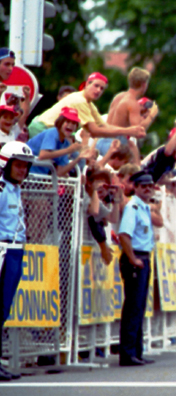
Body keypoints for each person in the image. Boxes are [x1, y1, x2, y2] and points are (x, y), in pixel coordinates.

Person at [0, 141, 34, 381]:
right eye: (18, 165)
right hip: (3, 249)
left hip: (15, 250)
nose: (22, 170)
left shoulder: (15, 189)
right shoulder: (2, 189)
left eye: (25, 166)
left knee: (4, 308)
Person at [28, 72, 146, 141]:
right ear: (87, 84)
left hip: (48, 129)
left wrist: (129, 131)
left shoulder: (89, 104)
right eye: (96, 86)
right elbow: (94, 131)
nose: (98, 90)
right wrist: (129, 130)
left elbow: (104, 126)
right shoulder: (80, 101)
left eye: (102, 89)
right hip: (41, 129)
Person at [117, 171, 156, 366]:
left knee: (139, 306)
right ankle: (127, 353)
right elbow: (124, 234)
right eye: (143, 186)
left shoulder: (144, 207)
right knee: (133, 306)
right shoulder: (132, 207)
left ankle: (137, 351)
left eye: (150, 186)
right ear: (136, 187)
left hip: (143, 258)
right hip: (136, 258)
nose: (147, 189)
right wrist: (132, 258)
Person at [95, 67, 158, 156]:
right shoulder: (132, 103)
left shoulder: (119, 96)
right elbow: (138, 132)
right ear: (144, 85)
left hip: (102, 141)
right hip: (115, 144)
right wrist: (151, 115)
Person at [27, 107, 92, 176]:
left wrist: (78, 158)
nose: (70, 125)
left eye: (74, 123)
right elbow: (43, 155)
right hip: (26, 172)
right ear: (60, 122)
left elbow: (59, 172)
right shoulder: (52, 132)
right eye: (67, 121)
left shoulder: (66, 144)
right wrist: (68, 150)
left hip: (38, 178)